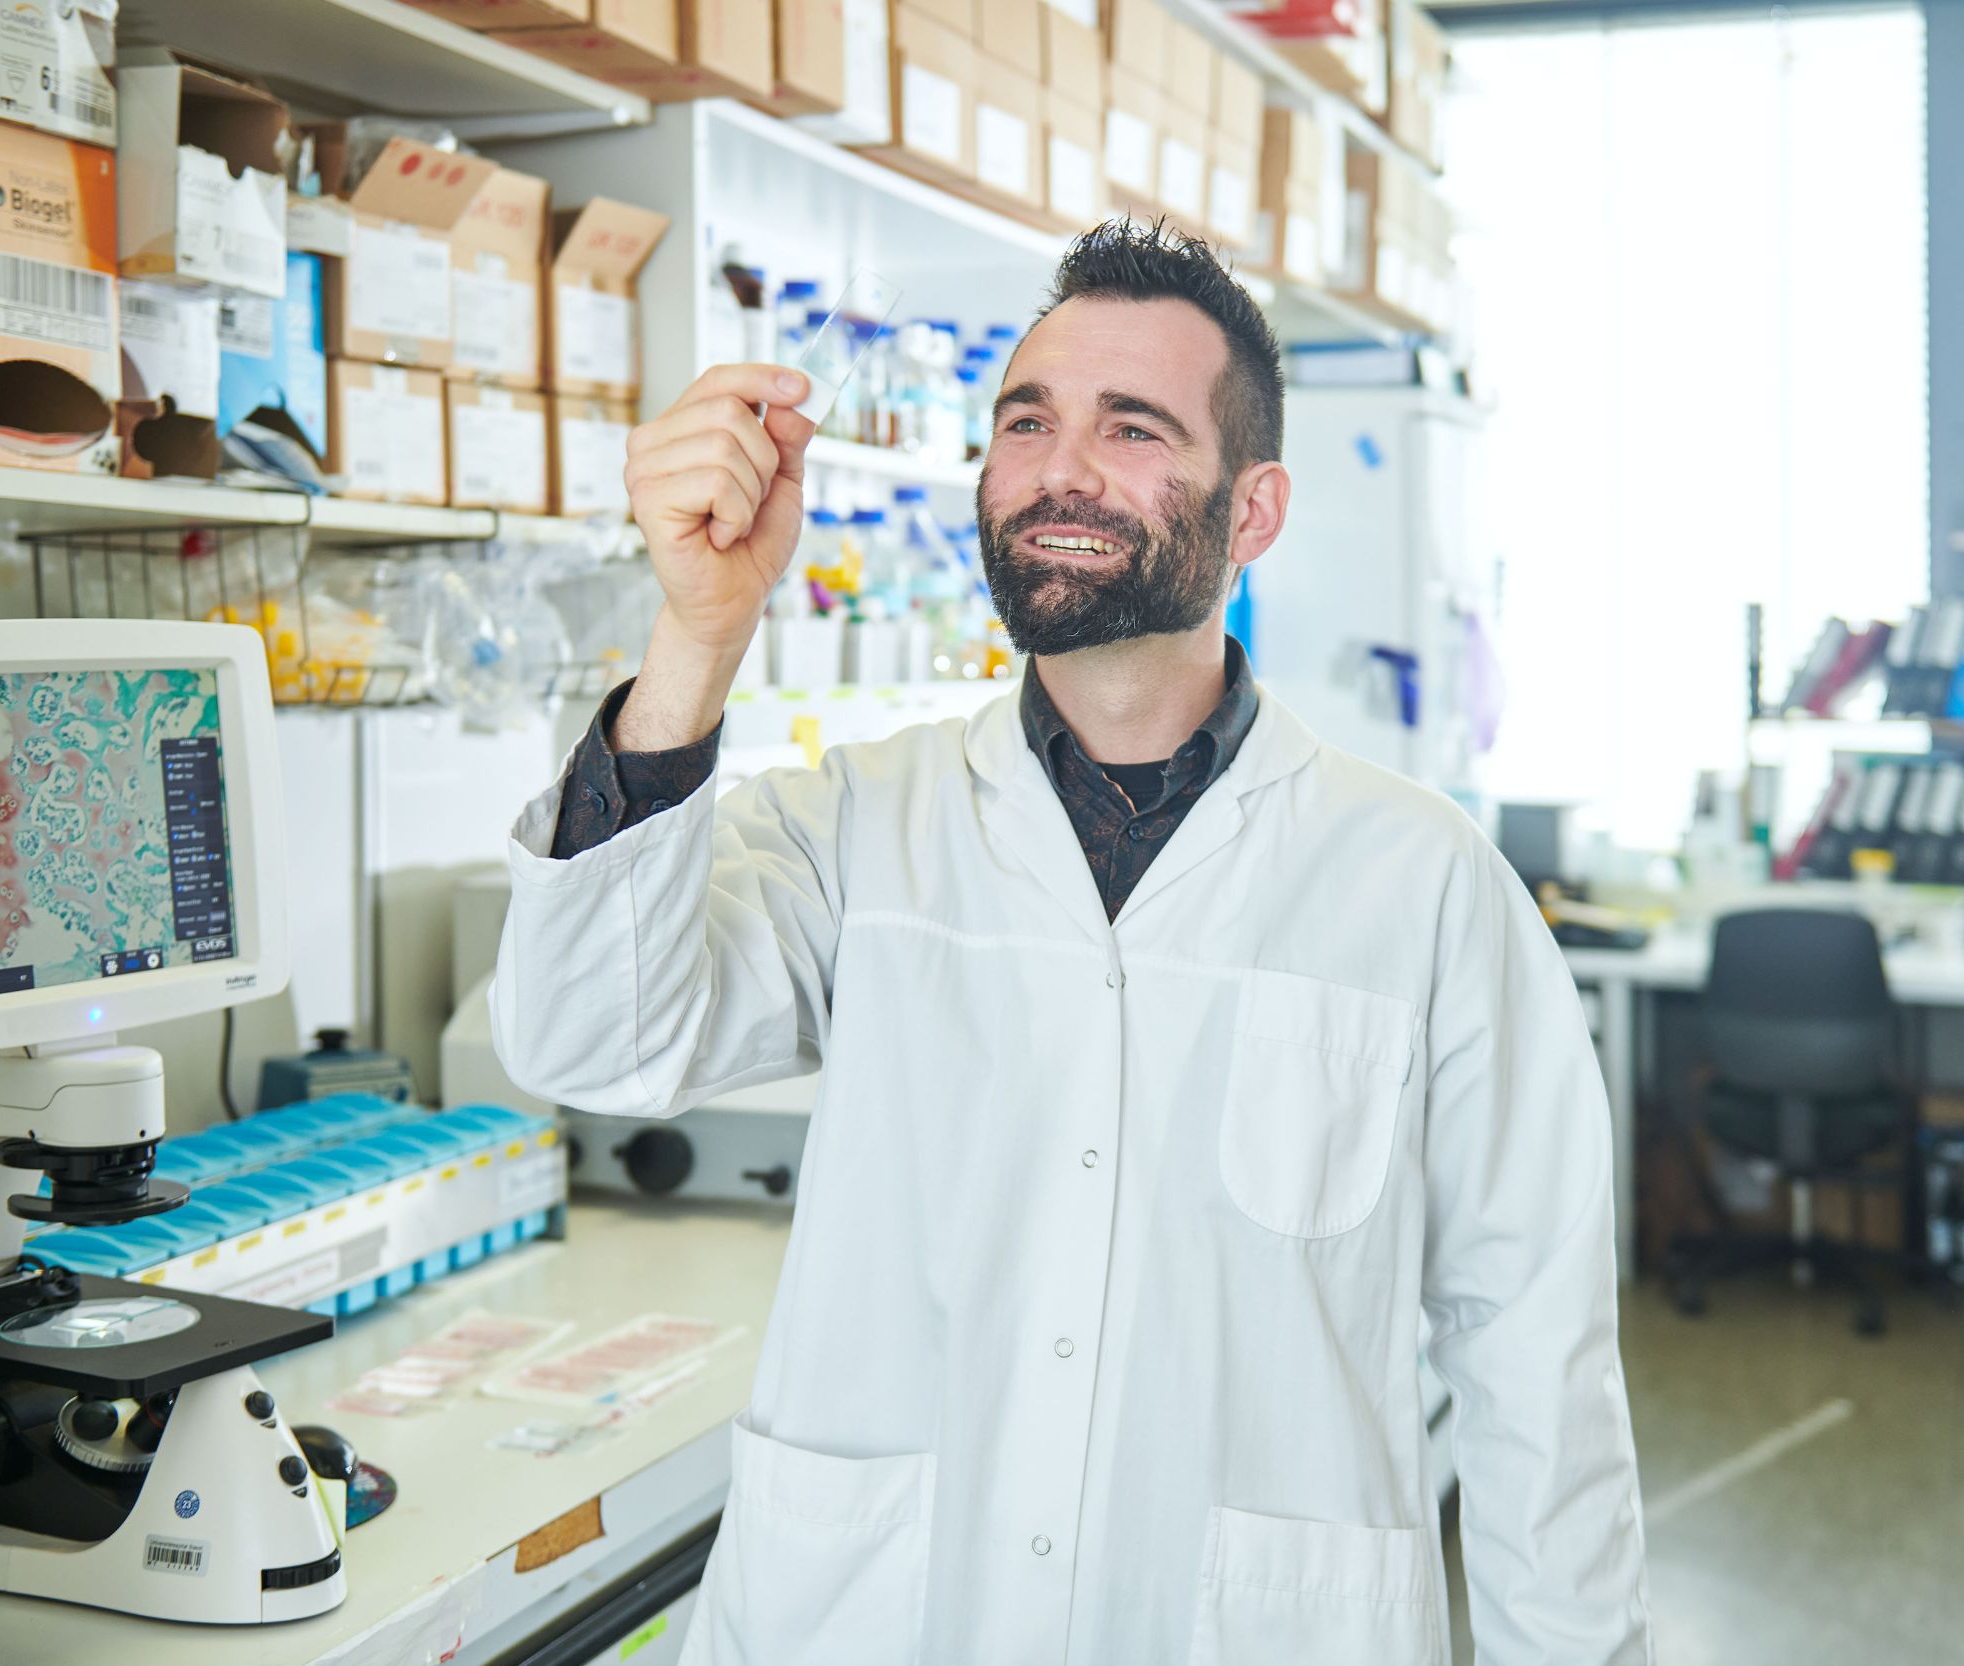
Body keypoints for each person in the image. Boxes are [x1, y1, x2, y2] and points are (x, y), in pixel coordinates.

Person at [492, 220, 1652, 1664]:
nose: (1060, 469)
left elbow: (1537, 1361)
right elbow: (587, 1036)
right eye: (1026, 420)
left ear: (1256, 510)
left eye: (1134, 428)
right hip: (875, 1615)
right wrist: (698, 635)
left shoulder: (1423, 884)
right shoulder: (862, 824)